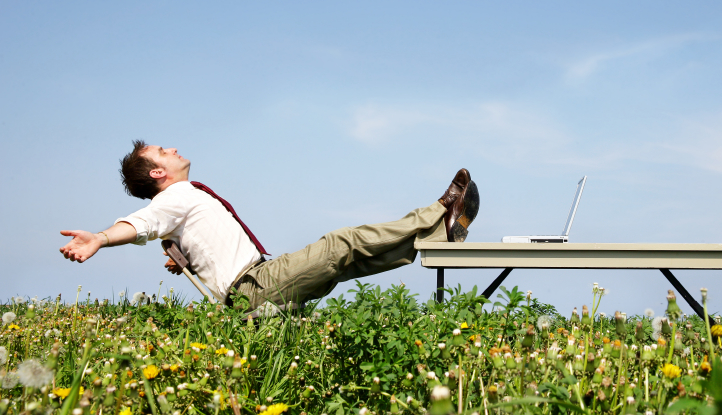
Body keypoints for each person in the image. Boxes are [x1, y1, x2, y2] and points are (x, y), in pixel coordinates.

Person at [59, 140, 480, 310]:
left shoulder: (180, 204)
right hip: (255, 285)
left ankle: (439, 234)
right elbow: (139, 224)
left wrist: (185, 258)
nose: (171, 148)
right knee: (342, 243)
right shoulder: (172, 197)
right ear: (157, 173)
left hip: (254, 284)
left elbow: (180, 237)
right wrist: (100, 238)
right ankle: (438, 211)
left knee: (351, 260)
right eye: (161, 151)